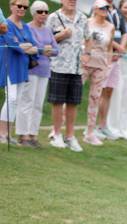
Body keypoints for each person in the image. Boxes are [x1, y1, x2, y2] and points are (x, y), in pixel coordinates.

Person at [46, 0, 89, 151]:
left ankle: (70, 136)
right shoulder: (53, 17)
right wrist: (61, 36)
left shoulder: (83, 18)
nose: (72, 1)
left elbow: (88, 39)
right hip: (59, 65)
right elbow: (46, 41)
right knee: (57, 102)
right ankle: (56, 135)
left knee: (73, 102)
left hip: (76, 67)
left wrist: (87, 54)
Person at [15, 1, 58, 148]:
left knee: (38, 104)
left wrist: (48, 50)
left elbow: (56, 49)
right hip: (31, 69)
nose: (44, 14)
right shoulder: (27, 27)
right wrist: (42, 49)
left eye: (46, 12)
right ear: (33, 13)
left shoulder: (47, 30)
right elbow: (28, 46)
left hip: (45, 71)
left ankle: (33, 134)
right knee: (27, 101)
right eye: (40, 11)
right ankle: (23, 134)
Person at [0, 0, 39, 146]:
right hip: (9, 65)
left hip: (22, 67)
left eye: (25, 7)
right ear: (11, 6)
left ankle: (8, 134)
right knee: (11, 98)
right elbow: (13, 44)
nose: (22, 9)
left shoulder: (25, 26)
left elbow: (33, 46)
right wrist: (24, 46)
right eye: (19, 6)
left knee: (17, 101)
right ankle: (2, 133)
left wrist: (26, 47)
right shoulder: (5, 24)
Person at [81, 0, 114, 146]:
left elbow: (110, 47)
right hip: (85, 63)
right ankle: (60, 130)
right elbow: (81, 41)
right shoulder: (86, 22)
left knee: (95, 98)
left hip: (101, 65)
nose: (105, 10)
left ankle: (90, 132)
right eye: (102, 8)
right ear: (95, 9)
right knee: (74, 95)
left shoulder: (110, 26)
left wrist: (108, 64)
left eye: (107, 8)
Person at [96, 0, 127, 141]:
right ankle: (94, 126)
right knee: (99, 91)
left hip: (116, 57)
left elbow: (125, 32)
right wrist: (117, 47)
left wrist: (121, 48)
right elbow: (99, 32)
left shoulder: (117, 12)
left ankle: (103, 126)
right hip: (104, 56)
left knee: (109, 90)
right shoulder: (99, 8)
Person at [106, 0, 127, 140]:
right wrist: (121, 47)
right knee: (115, 94)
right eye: (126, 7)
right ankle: (112, 126)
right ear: (121, 7)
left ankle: (125, 128)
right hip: (114, 58)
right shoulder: (113, 17)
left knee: (126, 95)